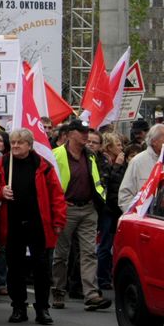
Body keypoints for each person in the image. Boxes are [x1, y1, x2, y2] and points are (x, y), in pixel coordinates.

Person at [0, 129, 66, 325]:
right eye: (12, 143)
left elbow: (56, 195)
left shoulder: (42, 165)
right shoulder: (3, 163)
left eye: (19, 143)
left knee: (41, 267)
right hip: (12, 222)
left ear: (29, 146)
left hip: (38, 223)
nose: (14, 146)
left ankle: (42, 308)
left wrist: (58, 221)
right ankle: (18, 307)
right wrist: (0, 191)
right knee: (14, 267)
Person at [50, 120, 111, 311]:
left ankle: (91, 295)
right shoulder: (56, 154)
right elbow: (51, 183)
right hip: (66, 209)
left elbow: (97, 180)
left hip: (88, 209)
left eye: (87, 131)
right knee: (61, 254)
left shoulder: (91, 155)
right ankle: (58, 291)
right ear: (69, 134)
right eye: (81, 131)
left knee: (89, 252)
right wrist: (58, 203)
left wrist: (99, 200)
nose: (85, 135)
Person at [90, 130, 126, 291]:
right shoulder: (104, 161)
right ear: (110, 147)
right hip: (107, 209)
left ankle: (110, 275)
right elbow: (107, 182)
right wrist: (117, 165)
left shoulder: (121, 160)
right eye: (118, 145)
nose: (121, 148)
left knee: (113, 244)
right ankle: (103, 278)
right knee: (105, 245)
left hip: (117, 208)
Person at [118, 124, 164, 213]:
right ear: (154, 141)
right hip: (147, 220)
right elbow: (125, 195)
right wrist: (135, 215)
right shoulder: (137, 162)